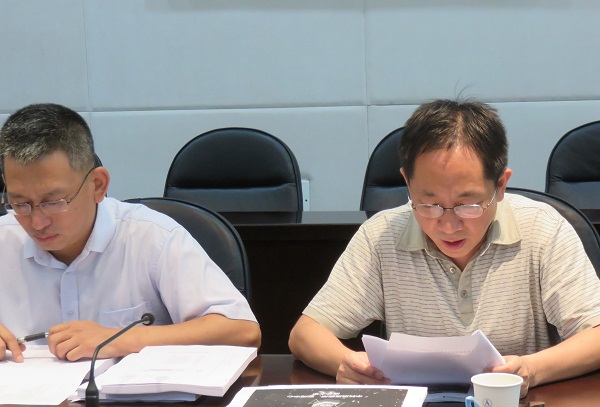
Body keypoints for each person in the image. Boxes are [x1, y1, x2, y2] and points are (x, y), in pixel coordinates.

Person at [288, 99, 600, 396]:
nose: (449, 225)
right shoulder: (381, 236)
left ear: (500, 185)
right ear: (407, 183)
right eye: (429, 204)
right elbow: (305, 335)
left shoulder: (543, 229)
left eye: (468, 205)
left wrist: (532, 369)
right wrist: (346, 363)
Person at [0, 103, 260, 363]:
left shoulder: (152, 237)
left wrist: (121, 338)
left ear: (98, 185)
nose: (37, 222)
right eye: (20, 203)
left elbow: (242, 331)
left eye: (53, 202)